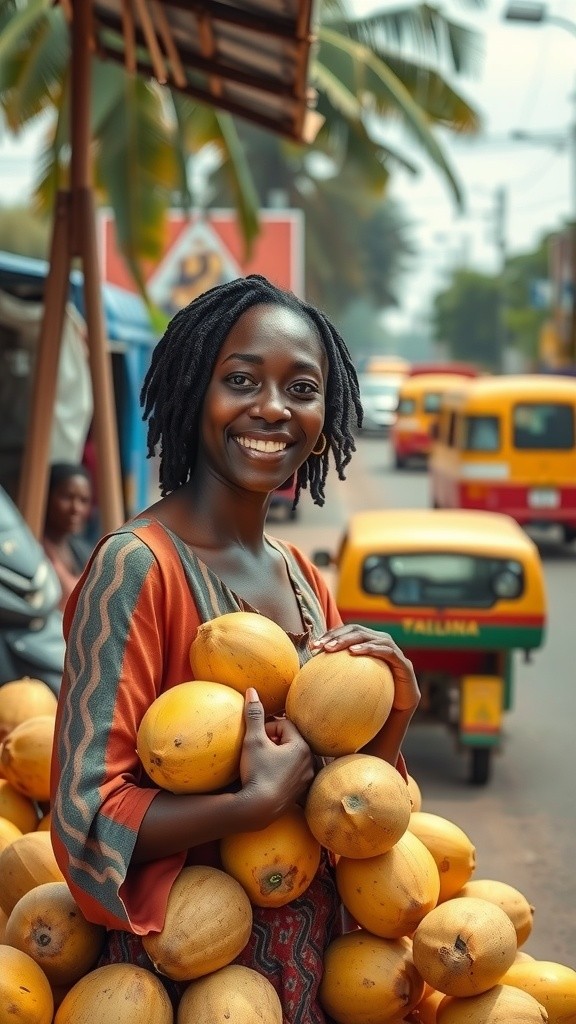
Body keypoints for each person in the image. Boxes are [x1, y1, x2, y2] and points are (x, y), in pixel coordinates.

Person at [50, 275, 420, 1023]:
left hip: (311, 969)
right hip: (180, 981)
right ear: (193, 391)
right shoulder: (136, 567)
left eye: (302, 387)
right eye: (241, 380)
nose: (273, 409)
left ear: (329, 411)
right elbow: (84, 820)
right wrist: (250, 803)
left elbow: (345, 803)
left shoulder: (304, 577)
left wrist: (397, 708)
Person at [42, 461, 93, 612]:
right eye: (66, 497)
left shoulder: (83, 551)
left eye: (83, 500)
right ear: (47, 496)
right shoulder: (32, 548)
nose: (76, 508)